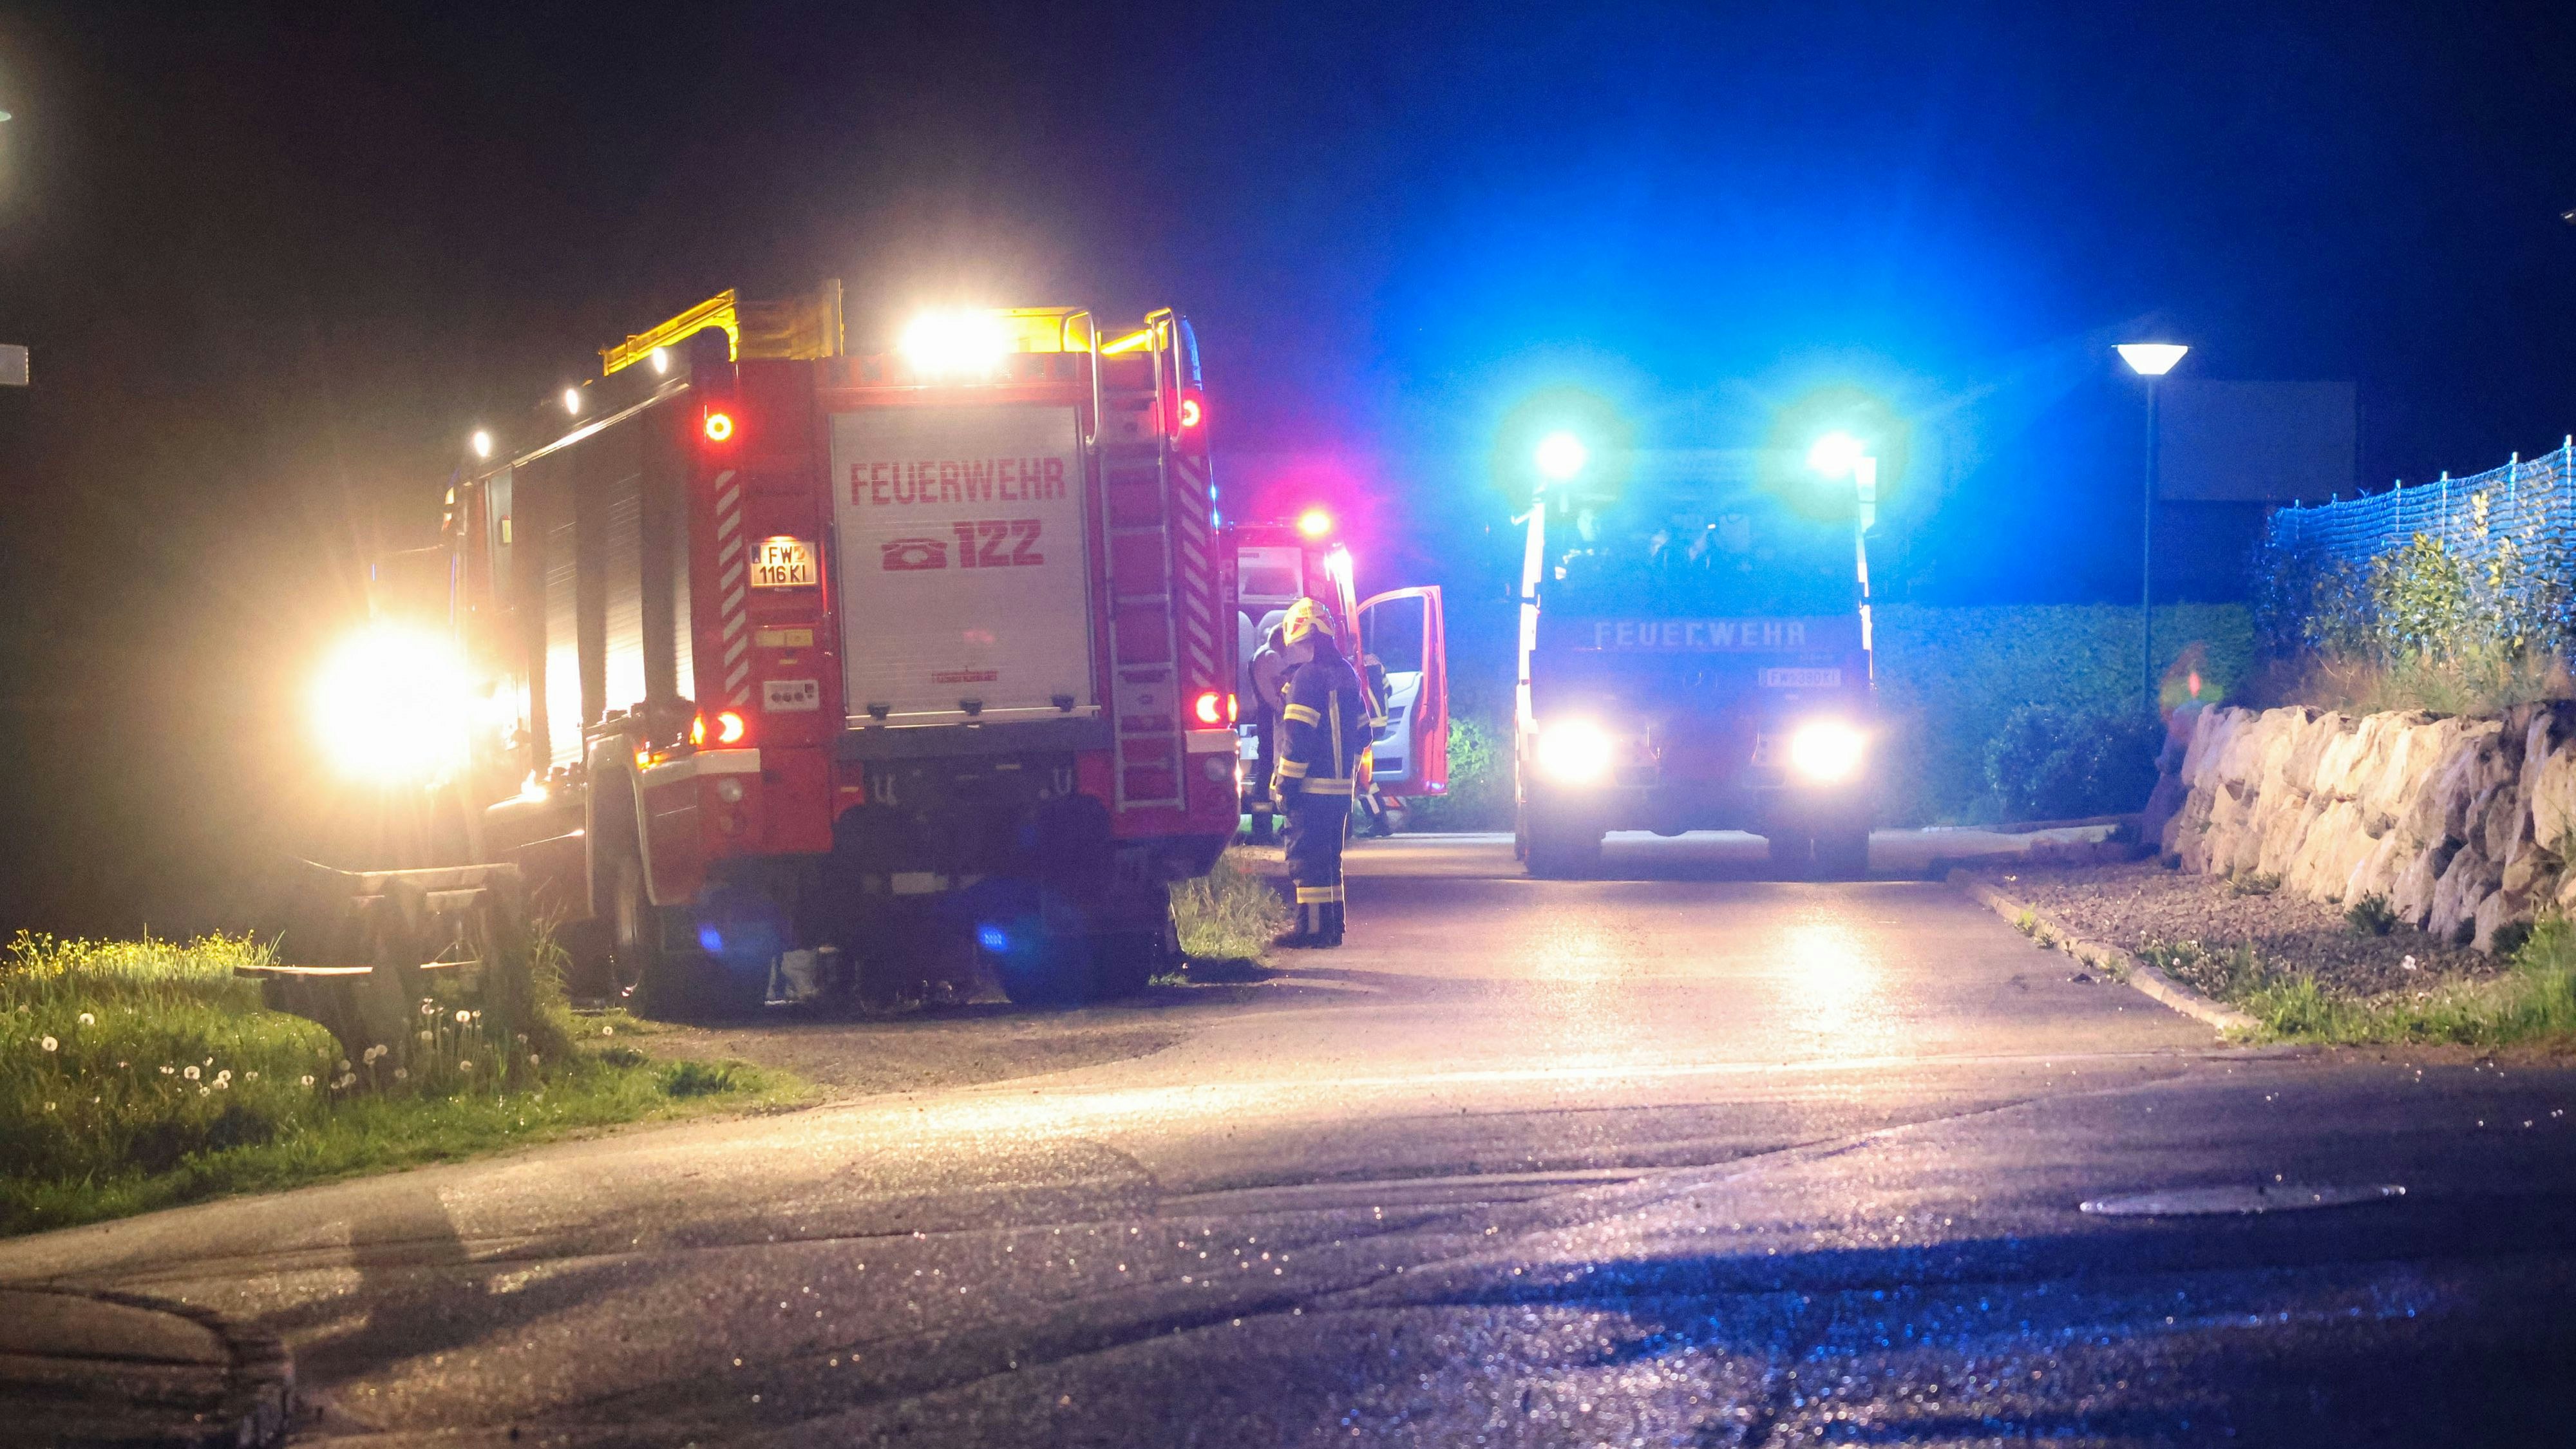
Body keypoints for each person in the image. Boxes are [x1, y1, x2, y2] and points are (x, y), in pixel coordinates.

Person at [1271, 598, 1368, 947]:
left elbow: (1297, 736)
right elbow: (1364, 732)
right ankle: (1331, 927)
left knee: (1306, 860)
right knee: (1329, 860)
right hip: (1340, 792)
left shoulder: (1306, 678)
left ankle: (1311, 930)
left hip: (1310, 789)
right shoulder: (1347, 674)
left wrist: (1287, 784)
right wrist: (1348, 775)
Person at [1243, 611, 1293, 844]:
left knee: (1265, 768)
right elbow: (1279, 690)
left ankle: (1260, 826)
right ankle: (1265, 828)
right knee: (1273, 766)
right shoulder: (1271, 657)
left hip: (1262, 716)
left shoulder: (1257, 656)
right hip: (1273, 718)